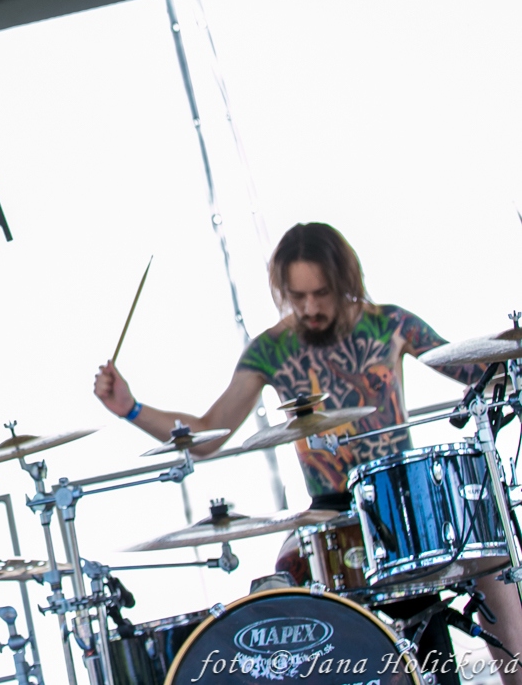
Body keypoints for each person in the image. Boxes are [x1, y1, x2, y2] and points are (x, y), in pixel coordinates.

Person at [94, 222, 522, 682]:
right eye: (298, 297)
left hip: (401, 500)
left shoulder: (392, 324)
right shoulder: (270, 350)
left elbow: (478, 372)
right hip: (327, 513)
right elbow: (207, 434)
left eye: (321, 293)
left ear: (345, 280)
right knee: (283, 581)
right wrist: (131, 409)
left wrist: (512, 349)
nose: (311, 307)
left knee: (489, 544)